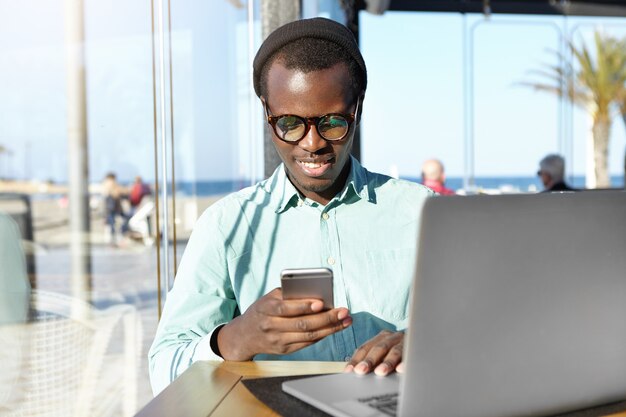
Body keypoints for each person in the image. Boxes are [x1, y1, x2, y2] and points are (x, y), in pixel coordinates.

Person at [148, 17, 434, 394]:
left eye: (333, 122)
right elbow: (164, 369)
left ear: (358, 108)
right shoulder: (226, 225)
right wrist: (235, 340)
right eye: (289, 123)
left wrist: (425, 343)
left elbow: (485, 323)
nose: (312, 143)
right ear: (267, 115)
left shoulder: (423, 213)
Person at [101, 172, 129, 244]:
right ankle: (116, 237)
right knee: (115, 223)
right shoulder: (111, 184)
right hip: (113, 207)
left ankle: (112, 238)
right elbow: (118, 193)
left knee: (111, 223)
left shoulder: (105, 184)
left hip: (110, 208)